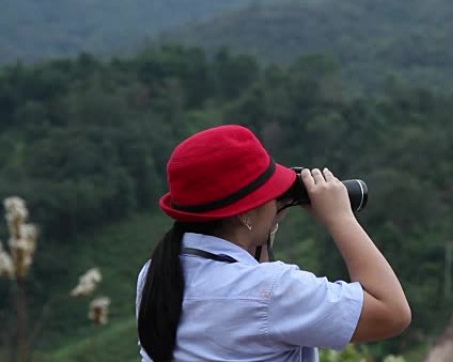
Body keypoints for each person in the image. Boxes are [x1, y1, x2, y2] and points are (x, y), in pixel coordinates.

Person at [136, 125, 411, 361]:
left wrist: (261, 237)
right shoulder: (273, 292)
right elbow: (392, 312)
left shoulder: (154, 275)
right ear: (244, 213)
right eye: (270, 192)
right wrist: (340, 218)